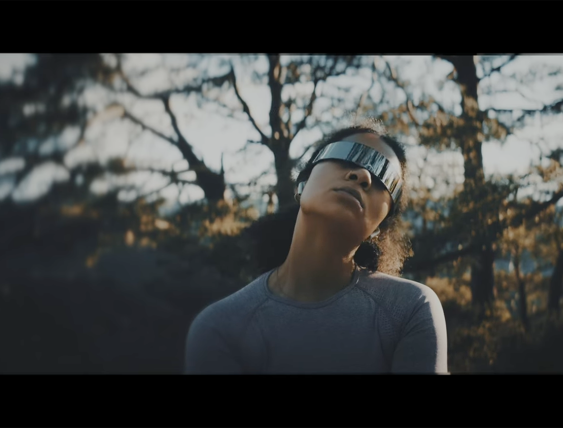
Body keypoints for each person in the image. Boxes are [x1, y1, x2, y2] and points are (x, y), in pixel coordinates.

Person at [184, 119, 448, 374]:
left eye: (384, 178)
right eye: (347, 155)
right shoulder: (220, 327)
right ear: (303, 182)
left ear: (379, 227)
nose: (364, 175)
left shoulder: (409, 311)